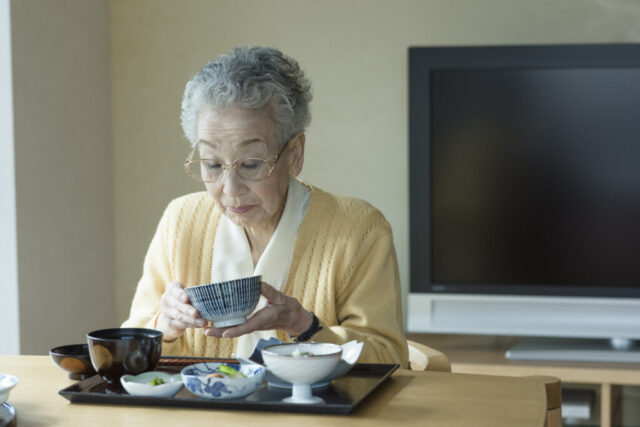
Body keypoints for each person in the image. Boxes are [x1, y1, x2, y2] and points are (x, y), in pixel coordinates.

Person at [122, 46, 408, 366]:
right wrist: (167, 326)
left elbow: (389, 357)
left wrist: (304, 326)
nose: (230, 190)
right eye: (213, 165)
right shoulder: (181, 221)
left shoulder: (359, 230)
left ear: (295, 154)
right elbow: (130, 348)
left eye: (252, 164)